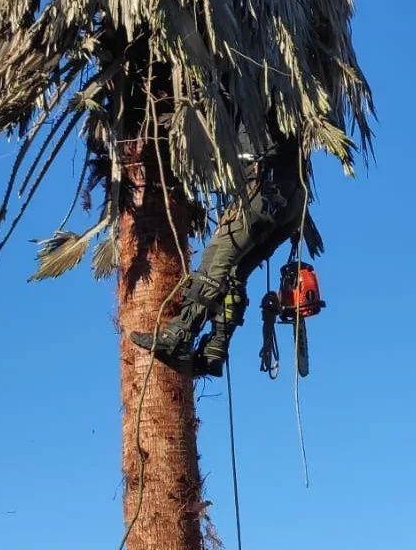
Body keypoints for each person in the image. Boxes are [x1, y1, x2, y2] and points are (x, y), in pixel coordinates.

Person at [130, 129, 307, 377]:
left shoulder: (251, 99)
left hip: (265, 189)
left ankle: (178, 334)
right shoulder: (286, 113)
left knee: (216, 260)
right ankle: (214, 353)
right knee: (235, 274)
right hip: (292, 205)